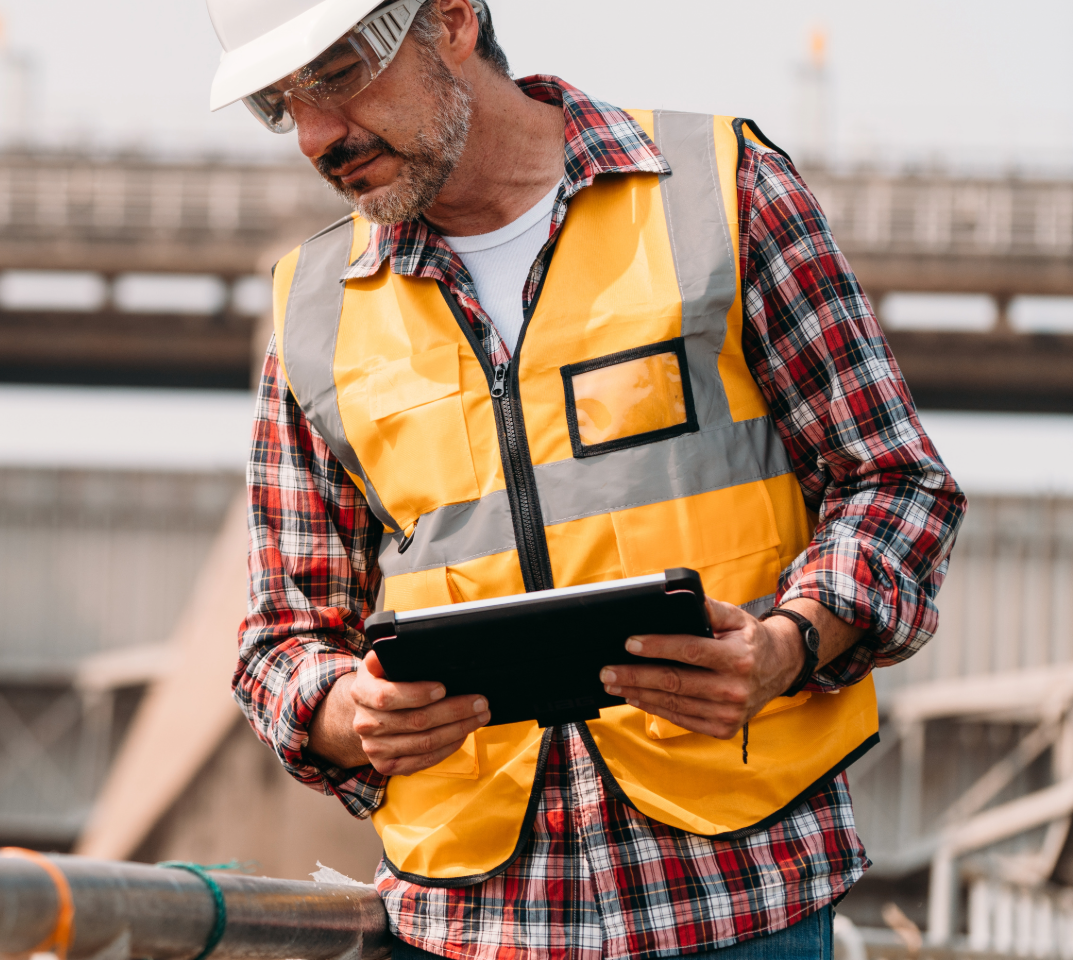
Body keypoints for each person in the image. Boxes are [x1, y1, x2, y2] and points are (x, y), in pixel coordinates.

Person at [207, 0, 966, 956]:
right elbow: (280, 639)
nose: (318, 136)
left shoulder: (720, 193)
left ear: (448, 20)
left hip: (736, 902)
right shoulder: (313, 314)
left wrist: (785, 647)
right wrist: (344, 713)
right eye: (281, 104)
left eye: (337, 77)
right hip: (469, 925)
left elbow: (893, 483)